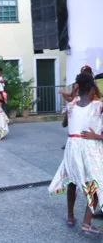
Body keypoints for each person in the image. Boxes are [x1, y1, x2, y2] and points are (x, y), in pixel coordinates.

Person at [49, 72, 103, 235]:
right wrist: (96, 136)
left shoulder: (71, 105)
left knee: (72, 180)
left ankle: (71, 217)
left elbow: (66, 123)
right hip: (89, 146)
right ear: (92, 87)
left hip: (72, 146)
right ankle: (86, 223)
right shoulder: (98, 106)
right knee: (95, 182)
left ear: (78, 87)